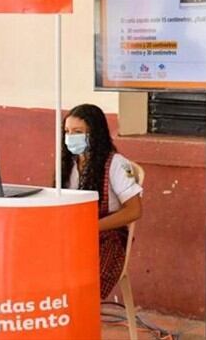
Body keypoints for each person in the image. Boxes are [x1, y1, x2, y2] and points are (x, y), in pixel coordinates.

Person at [62, 103, 143, 298]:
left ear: (95, 134)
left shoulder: (115, 164)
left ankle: (80, 319)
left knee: (86, 286)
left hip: (108, 237)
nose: (71, 137)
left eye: (78, 132)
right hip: (73, 234)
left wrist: (91, 227)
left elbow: (134, 211)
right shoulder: (67, 164)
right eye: (67, 132)